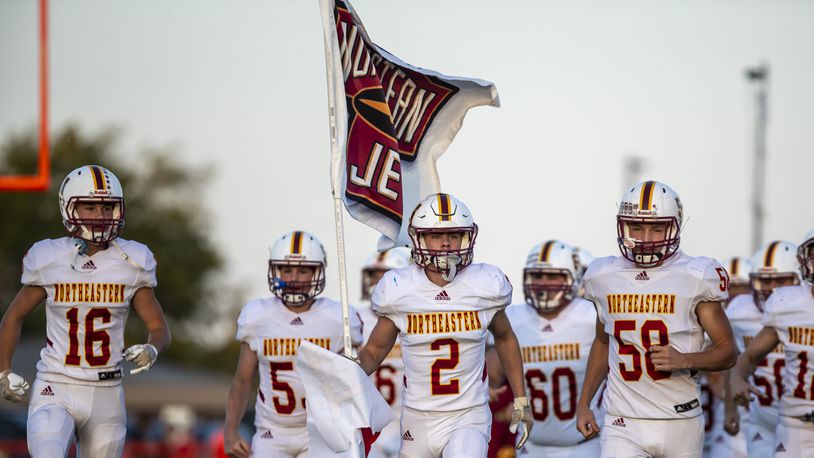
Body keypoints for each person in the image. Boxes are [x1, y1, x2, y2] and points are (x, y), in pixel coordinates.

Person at [0, 165, 171, 458]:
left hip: (107, 390)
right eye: (89, 206)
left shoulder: (133, 260)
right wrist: (3, 370)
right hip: (56, 383)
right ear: (68, 208)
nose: (100, 216)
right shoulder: (49, 257)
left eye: (107, 207)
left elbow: (159, 328)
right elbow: (14, 316)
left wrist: (152, 348)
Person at [357, 193, 532, 458]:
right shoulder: (400, 289)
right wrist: (343, 377)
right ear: (419, 239)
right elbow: (373, 352)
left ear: (468, 237)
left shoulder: (484, 285)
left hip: (468, 415)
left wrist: (521, 397)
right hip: (418, 417)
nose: (447, 244)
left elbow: (506, 337)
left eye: (454, 235)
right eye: (437, 236)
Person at [575, 180, 737, 458]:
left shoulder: (696, 275)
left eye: (656, 227)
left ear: (674, 227)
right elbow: (603, 343)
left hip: (681, 421)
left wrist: (686, 360)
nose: (646, 238)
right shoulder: (604, 276)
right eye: (636, 227)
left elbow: (728, 351)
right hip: (622, 420)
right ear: (623, 226)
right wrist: (584, 402)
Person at [223, 230, 362, 458]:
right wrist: (230, 432)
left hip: (322, 430)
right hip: (272, 432)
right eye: (286, 270)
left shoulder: (339, 318)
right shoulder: (258, 316)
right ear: (275, 271)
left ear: (318, 272)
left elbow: (360, 375)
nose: (294, 278)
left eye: (303, 270)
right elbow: (242, 382)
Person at [488, 240, 603, 457]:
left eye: (552, 276)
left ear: (571, 278)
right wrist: (486, 384)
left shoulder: (591, 316)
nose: (543, 283)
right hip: (530, 446)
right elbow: (492, 374)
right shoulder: (514, 319)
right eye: (537, 276)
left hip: (586, 445)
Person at [730, 237, 811, 457]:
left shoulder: (793, 308)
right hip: (777, 419)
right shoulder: (743, 311)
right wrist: (734, 387)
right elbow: (740, 359)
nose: (771, 289)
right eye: (764, 281)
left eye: (780, 281)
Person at [357, 247, 412, 458]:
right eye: (373, 275)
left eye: (385, 276)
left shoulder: (415, 318)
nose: (377, 283)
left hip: (411, 418)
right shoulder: (353, 320)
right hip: (371, 421)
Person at [704, 255, 752, 458]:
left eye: (741, 287)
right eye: (731, 287)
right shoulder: (708, 324)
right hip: (717, 420)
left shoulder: (760, 321)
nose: (735, 294)